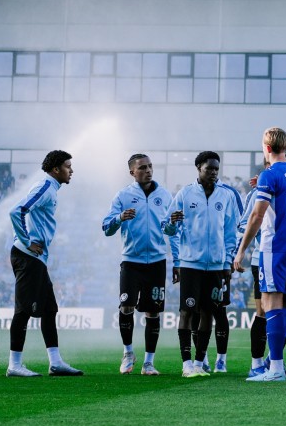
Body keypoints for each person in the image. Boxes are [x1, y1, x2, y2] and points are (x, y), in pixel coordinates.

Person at [233, 128, 286, 382]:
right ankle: (278, 366)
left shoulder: (269, 175)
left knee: (270, 306)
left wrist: (242, 249)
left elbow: (257, 216)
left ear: (267, 148)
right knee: (279, 306)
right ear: (285, 147)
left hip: (272, 246)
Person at [102, 153, 182, 376]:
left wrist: (176, 260)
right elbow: (106, 227)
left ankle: (148, 362)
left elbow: (171, 232)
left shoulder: (165, 196)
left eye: (150, 166)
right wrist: (119, 218)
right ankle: (128, 353)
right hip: (131, 261)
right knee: (126, 306)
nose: (148, 170)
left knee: (152, 313)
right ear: (132, 172)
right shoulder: (123, 196)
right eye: (142, 168)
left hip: (156, 262)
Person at [5, 150, 80, 378]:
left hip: (36, 259)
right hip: (28, 257)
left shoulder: (51, 189)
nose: (71, 170)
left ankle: (55, 362)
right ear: (56, 169)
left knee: (49, 309)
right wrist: (28, 242)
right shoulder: (45, 187)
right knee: (23, 312)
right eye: (68, 166)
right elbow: (16, 210)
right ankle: (14, 365)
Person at [171, 151, 242, 378]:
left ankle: (200, 362)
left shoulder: (226, 196)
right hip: (191, 263)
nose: (213, 173)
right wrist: (171, 224)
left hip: (216, 266)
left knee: (208, 314)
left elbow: (231, 232)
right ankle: (186, 364)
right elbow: (169, 229)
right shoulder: (185, 194)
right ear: (198, 168)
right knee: (187, 312)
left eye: (216, 169)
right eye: (209, 168)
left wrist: (228, 261)